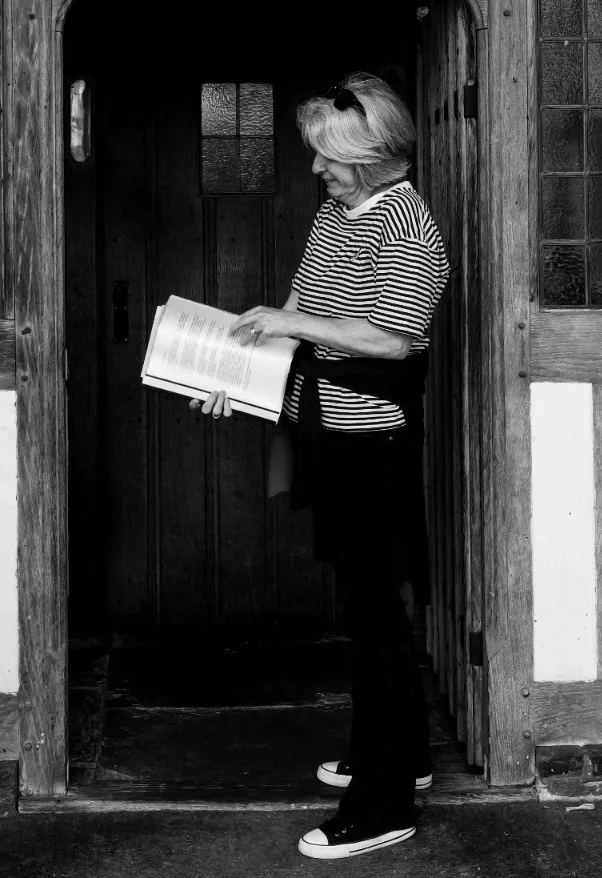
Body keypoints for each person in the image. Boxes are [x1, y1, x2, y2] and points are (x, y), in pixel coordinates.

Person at [191, 71, 450, 860]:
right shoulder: (336, 217)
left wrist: (291, 324)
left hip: (372, 442)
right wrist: (232, 378)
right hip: (327, 433)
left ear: (371, 157)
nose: (316, 169)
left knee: (376, 613)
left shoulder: (408, 226)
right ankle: (397, 753)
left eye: (328, 156)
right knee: (365, 605)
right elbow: (299, 325)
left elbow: (390, 340)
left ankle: (384, 805)